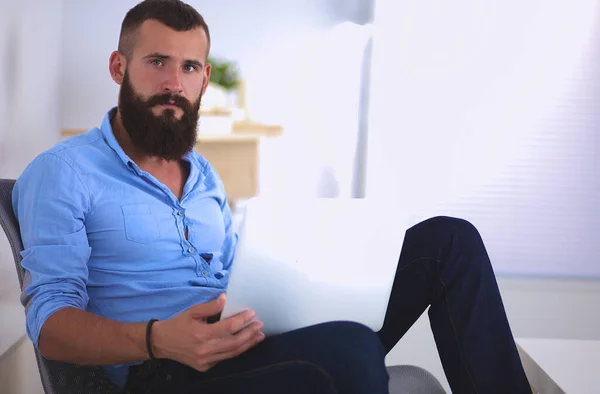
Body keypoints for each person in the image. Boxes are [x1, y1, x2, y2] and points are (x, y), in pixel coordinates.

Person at [12, 1, 534, 393]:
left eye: (190, 67)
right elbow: (51, 327)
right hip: (166, 371)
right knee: (353, 347)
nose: (174, 83)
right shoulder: (63, 172)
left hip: (245, 341)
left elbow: (240, 275)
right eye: (157, 62)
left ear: (205, 78)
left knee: (448, 241)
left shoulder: (204, 177)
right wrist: (157, 339)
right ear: (119, 68)